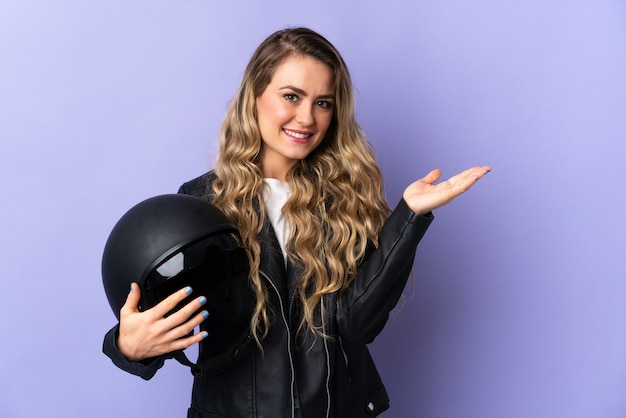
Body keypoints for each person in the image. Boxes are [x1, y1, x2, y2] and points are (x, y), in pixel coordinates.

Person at [103, 27, 490, 418]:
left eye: (323, 103)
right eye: (291, 96)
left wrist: (410, 216)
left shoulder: (346, 201)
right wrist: (128, 346)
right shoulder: (202, 203)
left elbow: (358, 325)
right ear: (255, 96)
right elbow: (162, 312)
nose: (306, 118)